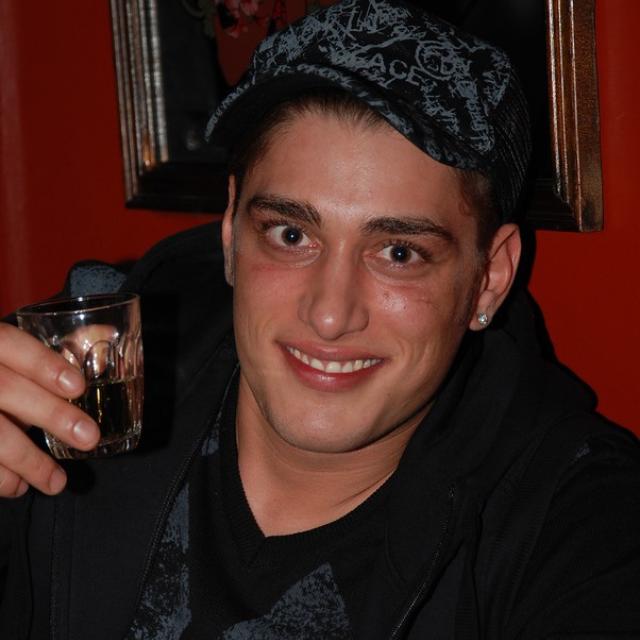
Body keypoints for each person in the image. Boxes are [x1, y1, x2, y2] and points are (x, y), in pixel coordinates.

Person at [1, 0, 639, 638]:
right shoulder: (79, 389)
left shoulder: (581, 522)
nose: (331, 315)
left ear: (489, 278)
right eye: (291, 234)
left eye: (399, 253)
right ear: (230, 231)